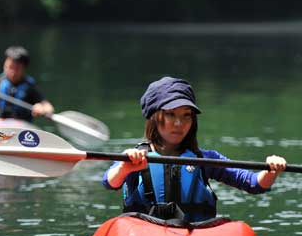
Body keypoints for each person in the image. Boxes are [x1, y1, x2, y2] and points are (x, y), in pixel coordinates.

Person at [103, 76, 287, 222]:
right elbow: (110, 182)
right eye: (170, 115)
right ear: (153, 117)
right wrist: (125, 167)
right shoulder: (133, 158)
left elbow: (253, 183)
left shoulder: (204, 159)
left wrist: (270, 170)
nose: (179, 123)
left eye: (186, 116)